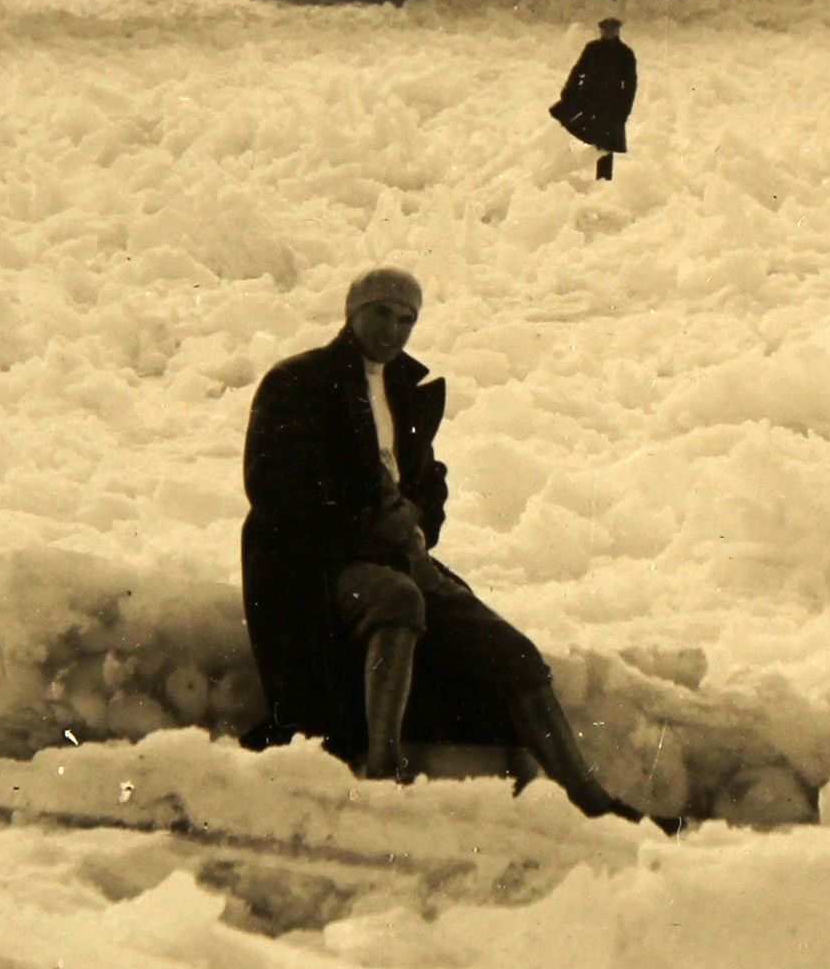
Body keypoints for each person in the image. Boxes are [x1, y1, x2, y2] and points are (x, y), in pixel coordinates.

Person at [239, 268, 647, 820]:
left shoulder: (405, 388)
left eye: (407, 318)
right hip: (317, 562)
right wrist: (365, 524)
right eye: (382, 311)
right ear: (352, 310)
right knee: (398, 601)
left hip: (399, 554)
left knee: (516, 657)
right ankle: (384, 770)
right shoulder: (298, 381)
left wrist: (417, 520)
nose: (395, 328)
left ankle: (593, 802)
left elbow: (429, 480)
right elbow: (271, 487)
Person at [549, 17, 636, 180]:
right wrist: (569, 90)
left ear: (618, 30)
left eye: (612, 28)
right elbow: (578, 71)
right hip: (588, 98)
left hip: (611, 104)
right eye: (605, 28)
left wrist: (624, 109)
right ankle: (590, 143)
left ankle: (603, 181)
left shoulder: (625, 53)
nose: (609, 31)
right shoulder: (592, 49)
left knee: (606, 145)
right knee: (561, 114)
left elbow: (630, 85)